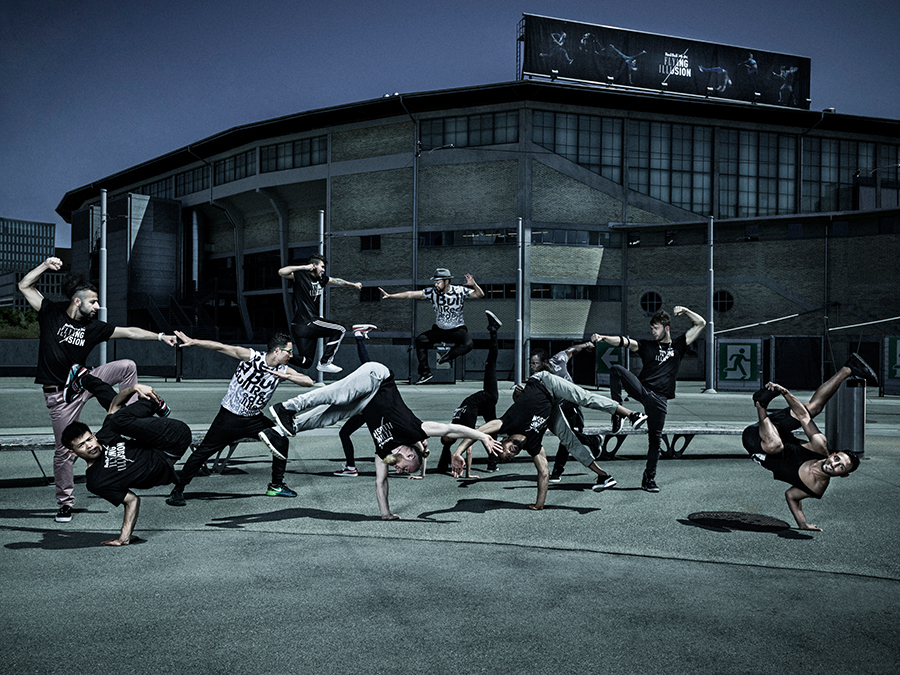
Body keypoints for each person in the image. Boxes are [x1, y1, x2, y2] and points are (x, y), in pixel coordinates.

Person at [18, 256, 177, 523]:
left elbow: (129, 332)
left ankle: (129, 419)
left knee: (126, 365)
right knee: (63, 451)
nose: (98, 306)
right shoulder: (51, 312)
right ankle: (65, 502)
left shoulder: (93, 327)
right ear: (77, 300)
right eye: (93, 301)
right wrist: (45, 266)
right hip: (61, 395)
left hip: (84, 381)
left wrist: (160, 336)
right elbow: (25, 286)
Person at [260, 362, 501, 519]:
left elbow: (381, 482)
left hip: (366, 402)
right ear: (409, 454)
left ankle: (285, 428)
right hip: (378, 378)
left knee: (329, 416)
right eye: (404, 467)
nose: (399, 469)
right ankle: (287, 407)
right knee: (338, 394)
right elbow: (450, 427)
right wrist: (482, 436)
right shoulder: (415, 430)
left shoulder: (383, 451)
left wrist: (385, 513)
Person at [450, 370, 645, 509]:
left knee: (584, 398)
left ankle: (631, 414)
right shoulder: (533, 446)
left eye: (505, 450)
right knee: (569, 440)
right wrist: (539, 504)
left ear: (504, 440)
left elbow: (477, 431)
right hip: (550, 406)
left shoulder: (506, 423)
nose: (510, 452)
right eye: (509, 456)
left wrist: (458, 452)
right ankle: (603, 475)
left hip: (544, 382)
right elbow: (543, 473)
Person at [164, 331, 314, 506]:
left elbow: (309, 381)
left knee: (280, 437)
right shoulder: (252, 357)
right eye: (288, 351)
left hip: (254, 420)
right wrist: (194, 341)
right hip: (229, 418)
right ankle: (177, 491)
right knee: (202, 453)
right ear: (277, 351)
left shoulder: (282, 369)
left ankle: (276, 485)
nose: (291, 355)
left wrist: (287, 377)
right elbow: (221, 347)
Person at [741, 354, 876, 531]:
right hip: (771, 428)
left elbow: (791, 495)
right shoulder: (820, 446)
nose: (834, 465)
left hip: (755, 442)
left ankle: (760, 405)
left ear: (843, 475)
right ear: (833, 455)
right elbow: (803, 416)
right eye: (837, 460)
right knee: (812, 408)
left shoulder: (816, 486)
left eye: (840, 467)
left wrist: (802, 524)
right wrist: (784, 392)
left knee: (776, 446)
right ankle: (849, 368)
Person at [60, 381, 191, 546]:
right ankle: (153, 403)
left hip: (166, 437)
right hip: (169, 449)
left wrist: (133, 388)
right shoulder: (96, 481)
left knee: (115, 414)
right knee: (117, 419)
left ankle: (151, 401)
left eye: (89, 439)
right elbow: (132, 500)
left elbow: (115, 405)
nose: (90, 446)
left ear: (93, 435)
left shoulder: (104, 437)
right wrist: (124, 537)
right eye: (81, 445)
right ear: (73, 453)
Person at [592, 305, 706, 493]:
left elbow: (701, 323)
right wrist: (603, 338)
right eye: (651, 328)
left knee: (655, 439)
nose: (653, 332)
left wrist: (685, 311)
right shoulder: (647, 346)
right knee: (617, 370)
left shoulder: (679, 345)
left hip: (660, 399)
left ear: (666, 328)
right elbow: (624, 342)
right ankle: (618, 412)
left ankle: (649, 479)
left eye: (656, 328)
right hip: (643, 390)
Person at [527, 343, 631, 484]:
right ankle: (593, 441)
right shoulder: (538, 378)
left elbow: (571, 350)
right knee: (565, 436)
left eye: (535, 363)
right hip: (557, 408)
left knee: (569, 437)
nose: (532, 367)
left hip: (572, 406)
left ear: (544, 362)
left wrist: (587, 345)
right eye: (530, 363)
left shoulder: (557, 360)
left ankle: (559, 470)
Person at [379, 268, 485, 384]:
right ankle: (425, 372)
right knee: (420, 340)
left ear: (447, 281)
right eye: (434, 282)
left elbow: (480, 294)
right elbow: (410, 294)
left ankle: (449, 355)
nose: (436, 285)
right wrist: (391, 296)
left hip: (457, 329)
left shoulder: (459, 291)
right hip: (440, 330)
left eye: (438, 282)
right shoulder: (432, 292)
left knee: (468, 344)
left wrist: (474, 284)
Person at [432, 311, 503, 475]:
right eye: (447, 437)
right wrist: (469, 472)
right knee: (490, 364)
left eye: (446, 436)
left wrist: (468, 471)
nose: (448, 435)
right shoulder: (457, 423)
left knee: (494, 431)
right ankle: (493, 330)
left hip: (484, 402)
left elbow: (468, 443)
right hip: (485, 399)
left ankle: (493, 464)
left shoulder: (458, 424)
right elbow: (469, 444)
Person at [279, 253, 362, 374]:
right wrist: (304, 267)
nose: (323, 270)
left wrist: (353, 284)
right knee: (340, 329)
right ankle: (325, 362)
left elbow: (337, 281)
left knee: (306, 362)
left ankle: (278, 357)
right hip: (307, 321)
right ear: (313, 266)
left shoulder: (321, 279)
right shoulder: (301, 276)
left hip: (301, 327)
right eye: (322, 267)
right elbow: (282, 272)